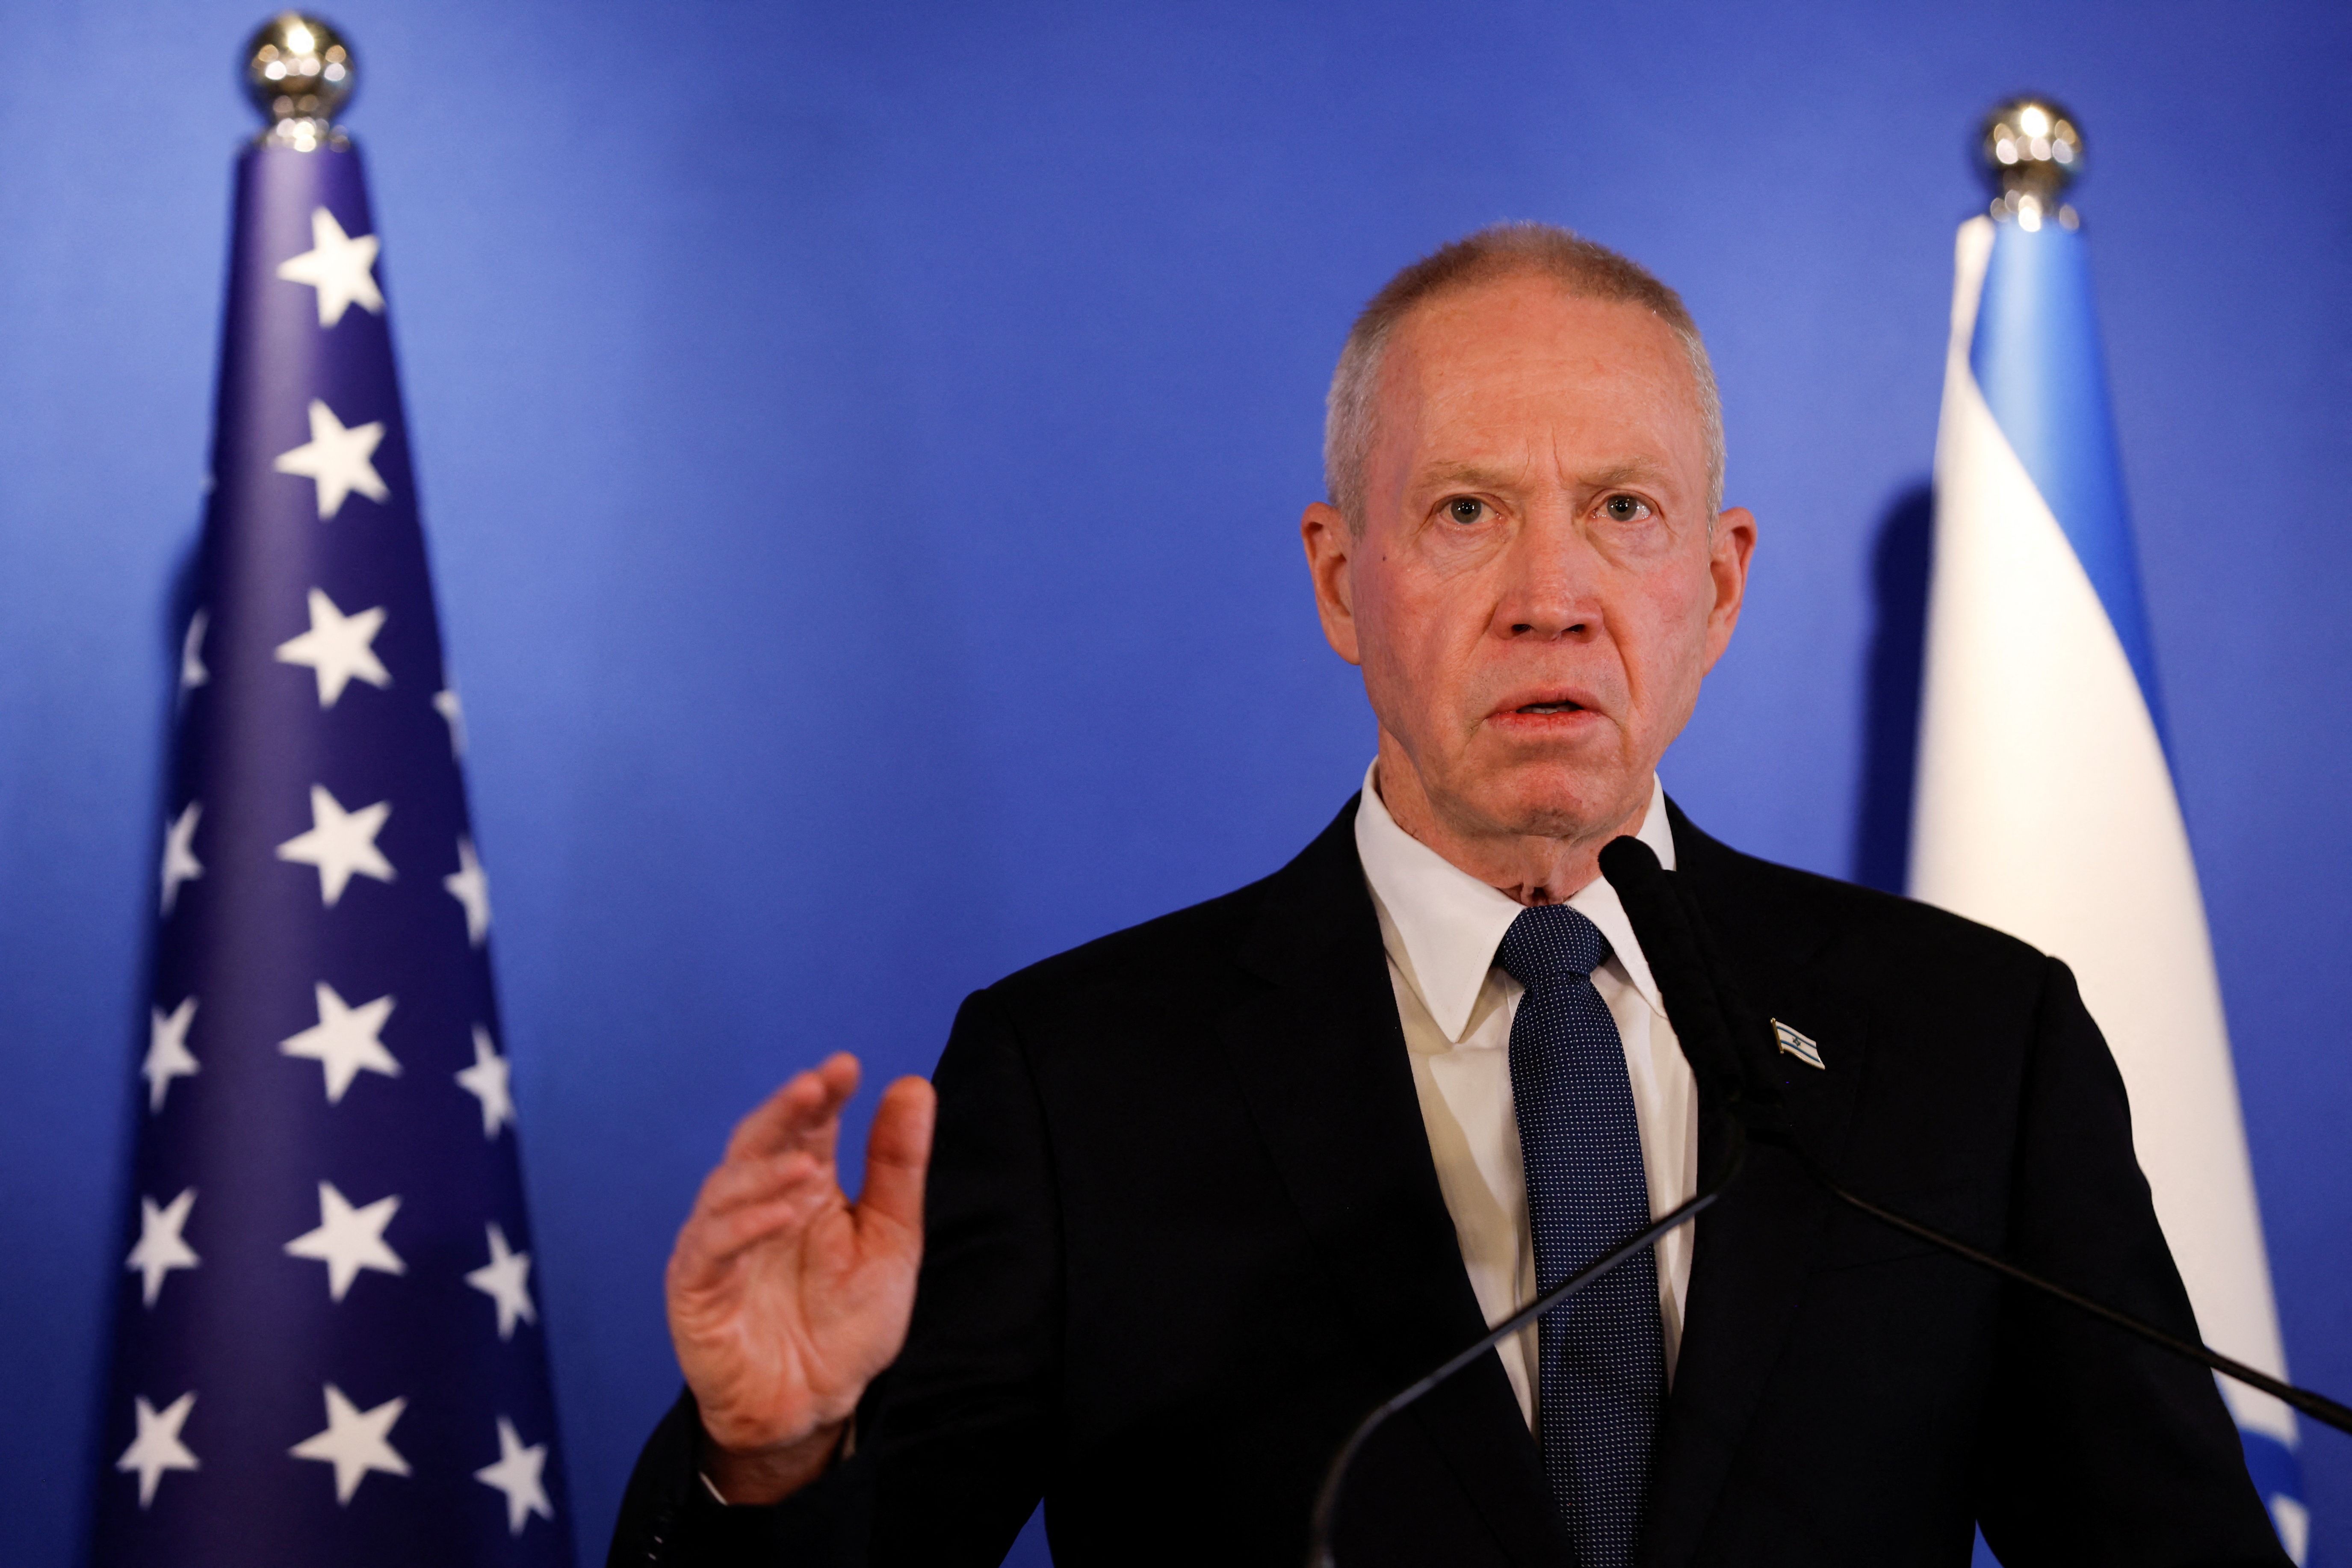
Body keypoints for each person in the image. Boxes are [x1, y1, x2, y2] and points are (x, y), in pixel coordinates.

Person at [610, 224, 2286, 1567]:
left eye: (1621, 511)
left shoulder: (1967, 1044)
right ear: (1346, 580)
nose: (1549, 597)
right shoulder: (1079, 1078)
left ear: (1716, 583)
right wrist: (773, 1458)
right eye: (1467, 511)